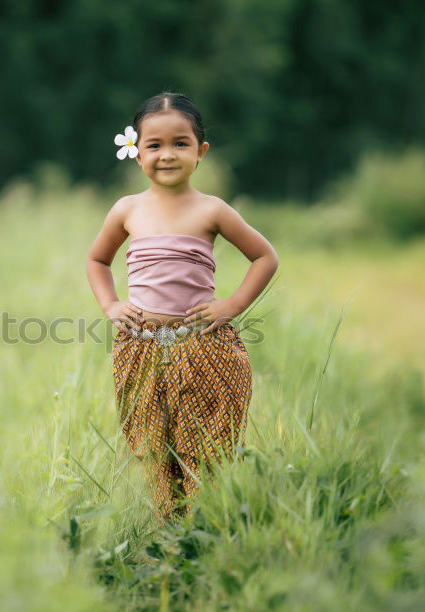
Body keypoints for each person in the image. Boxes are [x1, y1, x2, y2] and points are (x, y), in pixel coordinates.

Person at [86, 91, 280, 524]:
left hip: (205, 347)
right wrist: (111, 305)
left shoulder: (212, 210)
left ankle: (209, 529)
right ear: (136, 151)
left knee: (209, 447)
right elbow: (97, 260)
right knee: (153, 445)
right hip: (140, 348)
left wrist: (232, 304)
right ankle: (167, 535)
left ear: (200, 152)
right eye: (154, 145)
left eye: (180, 143)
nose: (167, 155)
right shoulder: (127, 210)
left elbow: (265, 257)